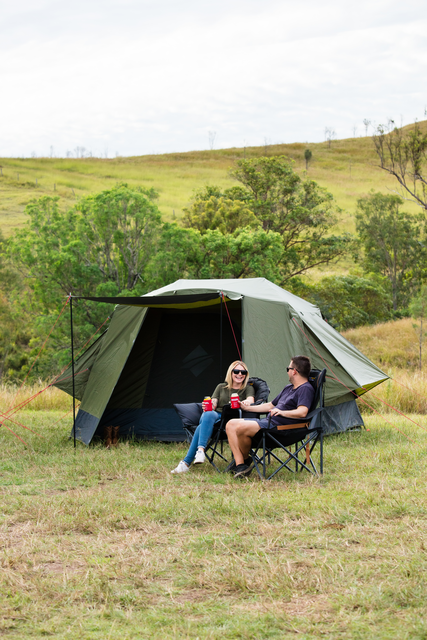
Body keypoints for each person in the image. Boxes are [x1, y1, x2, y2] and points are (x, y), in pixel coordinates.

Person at [226, 355, 314, 478]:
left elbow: (302, 411)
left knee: (240, 427)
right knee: (230, 424)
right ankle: (241, 465)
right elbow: (270, 405)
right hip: (269, 423)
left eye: (288, 369)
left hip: (282, 429)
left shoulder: (305, 389)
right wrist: (247, 408)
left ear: (294, 371)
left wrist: (282, 412)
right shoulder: (288, 388)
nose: (287, 371)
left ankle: (243, 462)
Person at [171, 360, 255, 474]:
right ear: (231, 372)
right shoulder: (221, 387)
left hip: (231, 420)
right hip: (216, 416)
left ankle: (188, 461)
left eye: (243, 372)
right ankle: (200, 451)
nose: (240, 374)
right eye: (236, 371)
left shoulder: (247, 388)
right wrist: (209, 406)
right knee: (209, 413)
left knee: (201, 427)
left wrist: (245, 402)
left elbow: (250, 400)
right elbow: (214, 403)